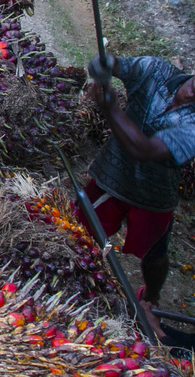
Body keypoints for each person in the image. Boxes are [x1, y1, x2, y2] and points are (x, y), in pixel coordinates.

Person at [79, 53, 195, 313]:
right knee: (80, 233)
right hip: (111, 179)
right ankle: (78, 273)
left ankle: (151, 296)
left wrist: (110, 109)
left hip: (153, 197)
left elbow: (143, 149)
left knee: (154, 255)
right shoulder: (156, 70)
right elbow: (121, 65)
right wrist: (104, 64)